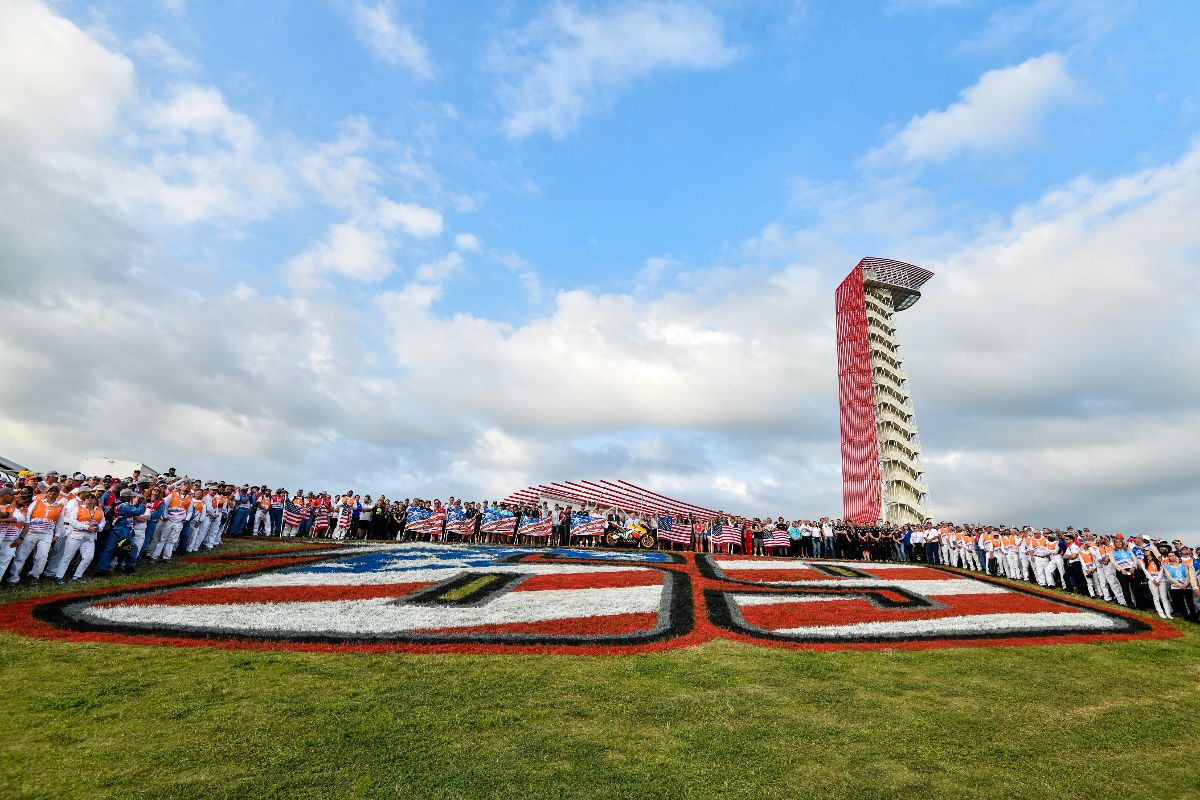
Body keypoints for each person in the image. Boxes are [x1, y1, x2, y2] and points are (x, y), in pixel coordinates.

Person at [54, 489, 104, 583]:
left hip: (90, 537)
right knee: (68, 556)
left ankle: (77, 576)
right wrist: (86, 527)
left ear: (95, 500)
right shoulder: (78, 508)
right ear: (84, 500)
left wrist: (98, 527)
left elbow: (102, 522)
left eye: (92, 497)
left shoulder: (99, 510)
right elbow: (72, 520)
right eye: (87, 497)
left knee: (88, 557)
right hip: (76, 535)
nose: (89, 499)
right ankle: (59, 576)